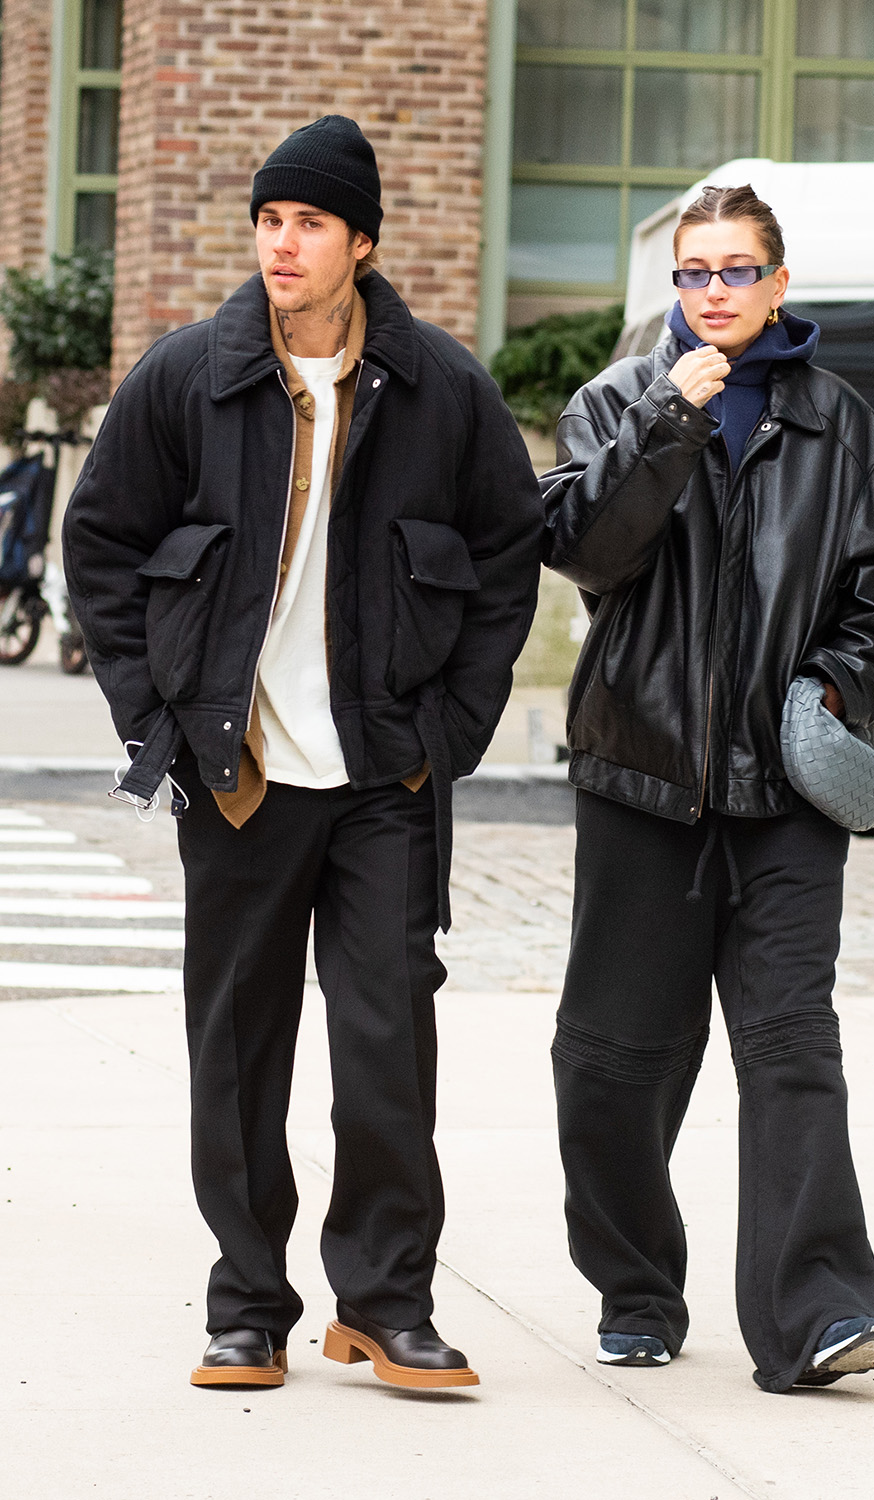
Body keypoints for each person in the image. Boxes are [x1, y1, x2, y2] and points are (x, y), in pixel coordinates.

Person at [63, 115, 542, 1392]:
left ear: (361, 243)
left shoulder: (441, 387)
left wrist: (452, 730)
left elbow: (507, 559)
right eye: (271, 220)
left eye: (310, 223)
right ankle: (247, 1304)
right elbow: (102, 545)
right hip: (239, 772)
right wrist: (148, 718)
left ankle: (384, 1303)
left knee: (387, 1044)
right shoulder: (188, 375)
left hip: (387, 774)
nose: (283, 243)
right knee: (236, 1047)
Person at [540, 183, 874, 1393]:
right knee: (615, 1059)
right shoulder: (615, 402)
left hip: (785, 798)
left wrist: (832, 690)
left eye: (734, 271)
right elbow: (583, 547)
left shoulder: (839, 422)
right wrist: (668, 418)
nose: (711, 291)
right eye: (692, 273)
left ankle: (818, 1313)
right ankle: (637, 1288)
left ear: (776, 283)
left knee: (789, 1048)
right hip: (639, 780)